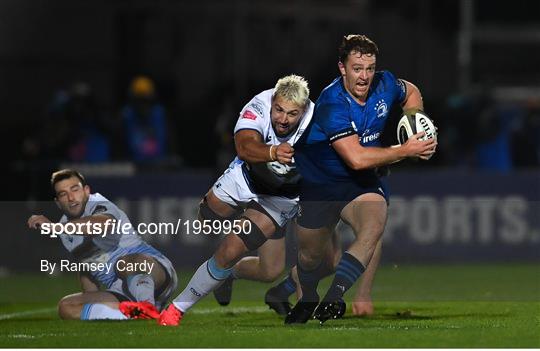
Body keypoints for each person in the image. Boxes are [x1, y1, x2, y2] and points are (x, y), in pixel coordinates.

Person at [285, 34, 437, 324]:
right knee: (311, 259)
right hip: (321, 183)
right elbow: (355, 157)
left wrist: (415, 122)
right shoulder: (332, 103)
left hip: (360, 182)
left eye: (370, 68)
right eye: (357, 68)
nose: (365, 76)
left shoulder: (386, 82)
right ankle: (306, 296)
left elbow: (412, 92)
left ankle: (335, 297)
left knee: (374, 224)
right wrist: (405, 149)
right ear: (342, 68)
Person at [155, 74, 315, 326]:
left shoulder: (317, 123)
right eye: (279, 110)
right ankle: (229, 260)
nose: (283, 119)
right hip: (245, 177)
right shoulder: (258, 105)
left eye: (292, 114)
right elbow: (244, 147)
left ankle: (177, 308)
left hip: (278, 197)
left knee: (260, 266)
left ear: (304, 110)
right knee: (207, 217)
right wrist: (273, 152)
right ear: (272, 101)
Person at [27, 169, 178, 320]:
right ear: (58, 202)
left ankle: (146, 305)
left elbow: (100, 225)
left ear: (86, 191)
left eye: (75, 189)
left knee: (124, 263)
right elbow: (87, 267)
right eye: (63, 194)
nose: (71, 197)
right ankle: (131, 315)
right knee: (67, 306)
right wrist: (92, 300)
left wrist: (53, 227)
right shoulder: (64, 229)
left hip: (152, 271)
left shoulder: (99, 203)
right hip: (121, 291)